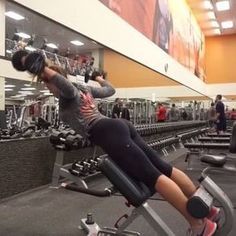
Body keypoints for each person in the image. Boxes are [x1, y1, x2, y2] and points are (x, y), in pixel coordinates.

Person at [12, 51, 218, 236]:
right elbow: (110, 90)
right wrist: (98, 78)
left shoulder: (68, 94)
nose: (47, 87)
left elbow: (65, 87)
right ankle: (208, 210)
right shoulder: (85, 88)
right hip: (119, 126)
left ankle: (198, 223)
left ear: (52, 80)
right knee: (165, 168)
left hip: (108, 132)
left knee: (153, 176)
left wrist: (44, 68)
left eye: (47, 82)